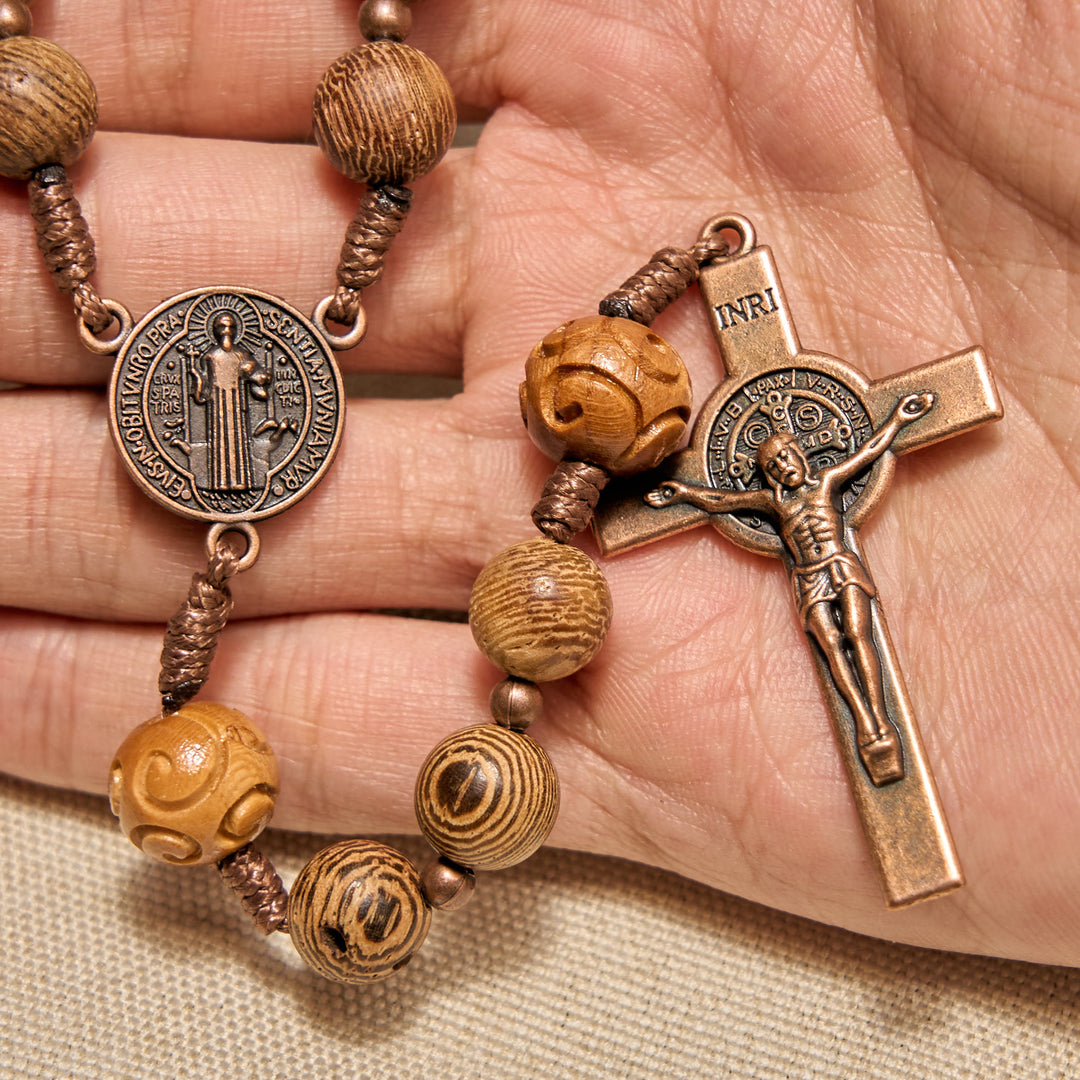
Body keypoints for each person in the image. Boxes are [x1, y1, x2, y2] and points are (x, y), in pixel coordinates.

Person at [0, 0, 1075, 970]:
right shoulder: (751, 492)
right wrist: (676, 483)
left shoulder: (799, 475)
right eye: (784, 462)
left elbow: (870, 432)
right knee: (847, 665)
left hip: (826, 567)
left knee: (854, 672)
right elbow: (708, 495)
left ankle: (879, 746)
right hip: (786, 558)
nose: (788, 466)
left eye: (793, 461)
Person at [646, 392, 934, 787]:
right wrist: (684, 493)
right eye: (774, 464)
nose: (784, 466)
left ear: (801, 455)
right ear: (768, 474)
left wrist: (899, 419)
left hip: (841, 565)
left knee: (857, 634)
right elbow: (722, 500)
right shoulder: (771, 503)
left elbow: (868, 451)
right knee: (831, 646)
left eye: (787, 456)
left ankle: (882, 721)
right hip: (809, 576)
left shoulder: (828, 482)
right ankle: (864, 724)